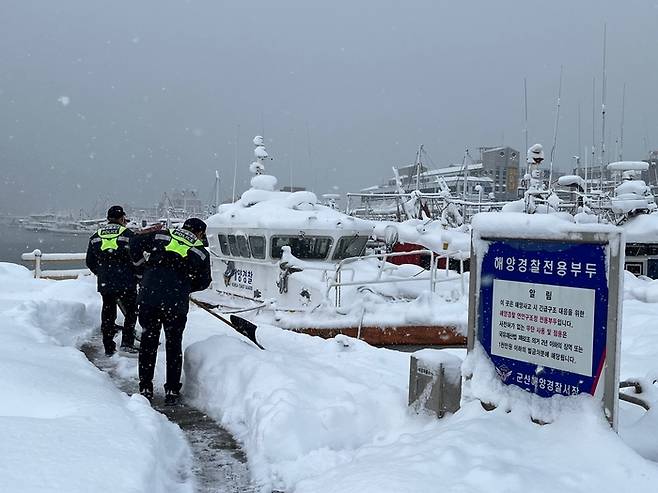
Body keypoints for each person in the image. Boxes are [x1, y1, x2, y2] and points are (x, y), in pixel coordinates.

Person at [130, 217, 212, 404]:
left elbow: (134, 242)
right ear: (199, 233)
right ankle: (172, 390)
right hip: (175, 302)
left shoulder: (161, 235)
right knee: (174, 345)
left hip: (149, 296)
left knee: (148, 342)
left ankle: (145, 387)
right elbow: (204, 282)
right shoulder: (200, 252)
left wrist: (142, 268)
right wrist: (184, 286)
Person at [86, 205, 139, 356]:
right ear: (122, 218)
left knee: (108, 312)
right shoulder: (128, 234)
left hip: (106, 282)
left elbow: (90, 261)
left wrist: (102, 273)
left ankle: (109, 346)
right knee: (131, 312)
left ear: (108, 218)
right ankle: (127, 343)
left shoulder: (96, 236)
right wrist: (136, 274)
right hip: (126, 281)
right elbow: (136, 258)